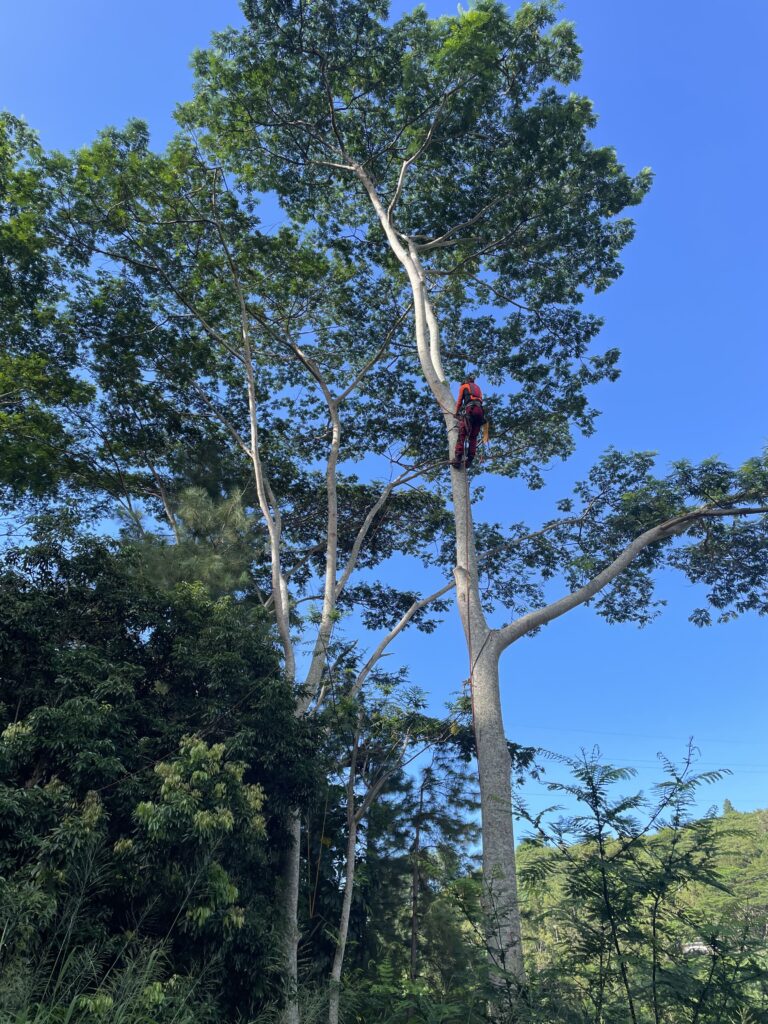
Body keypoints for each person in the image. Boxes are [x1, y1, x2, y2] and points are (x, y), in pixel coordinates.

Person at [452, 373, 484, 468]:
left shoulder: (464, 386)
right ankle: (469, 459)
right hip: (480, 412)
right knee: (473, 437)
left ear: (465, 381)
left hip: (471, 410)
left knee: (462, 433)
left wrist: (456, 413)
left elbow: (459, 402)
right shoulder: (478, 388)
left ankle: (458, 458)